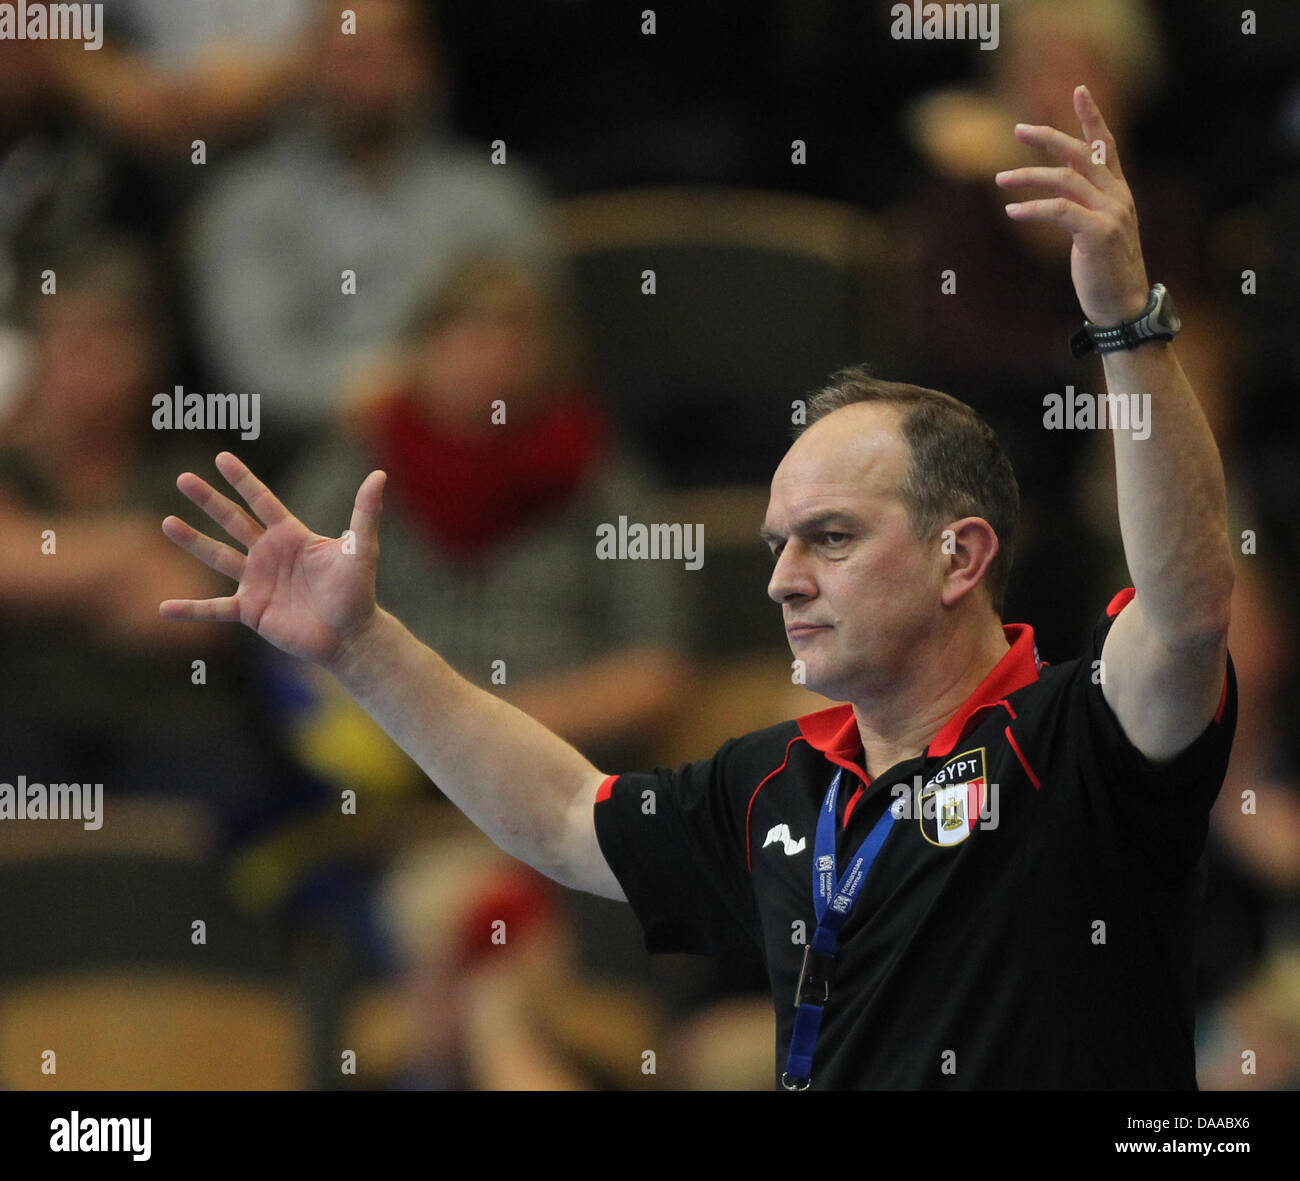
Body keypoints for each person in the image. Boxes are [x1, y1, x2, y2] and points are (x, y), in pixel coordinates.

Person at [160, 87, 1237, 1088]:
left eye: (829, 537)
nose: (780, 578)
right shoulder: (777, 786)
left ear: (960, 557)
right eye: (776, 541)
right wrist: (360, 644)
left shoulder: (1080, 733)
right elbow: (556, 815)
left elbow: (1186, 608)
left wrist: (1126, 323)